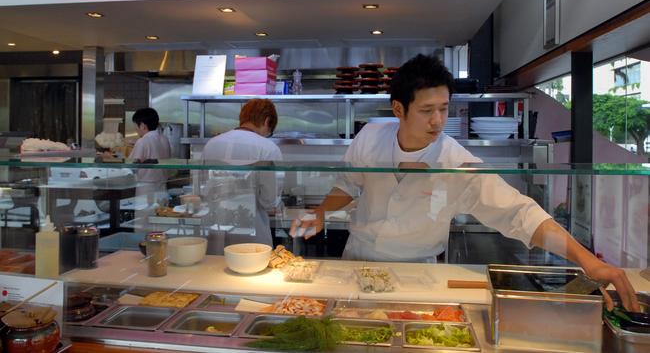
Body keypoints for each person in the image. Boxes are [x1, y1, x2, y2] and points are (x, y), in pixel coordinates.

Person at [290, 54, 639, 312]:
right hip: (357, 264)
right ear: (398, 109)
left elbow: (519, 213)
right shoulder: (370, 136)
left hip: (419, 277)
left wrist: (586, 260)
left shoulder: (456, 161)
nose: (439, 120)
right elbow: (348, 185)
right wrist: (321, 212)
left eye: (444, 108)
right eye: (427, 110)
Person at [201, 99, 283, 247]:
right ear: (267, 121)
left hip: (215, 231)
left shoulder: (211, 144)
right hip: (253, 235)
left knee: (213, 268)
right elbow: (269, 201)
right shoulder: (267, 148)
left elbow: (203, 189)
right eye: (269, 132)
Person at [129, 107, 172, 231]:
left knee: (143, 226)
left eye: (136, 126)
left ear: (142, 125)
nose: (136, 130)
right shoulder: (164, 139)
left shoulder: (143, 141)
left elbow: (132, 165)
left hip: (146, 188)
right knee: (160, 224)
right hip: (163, 187)